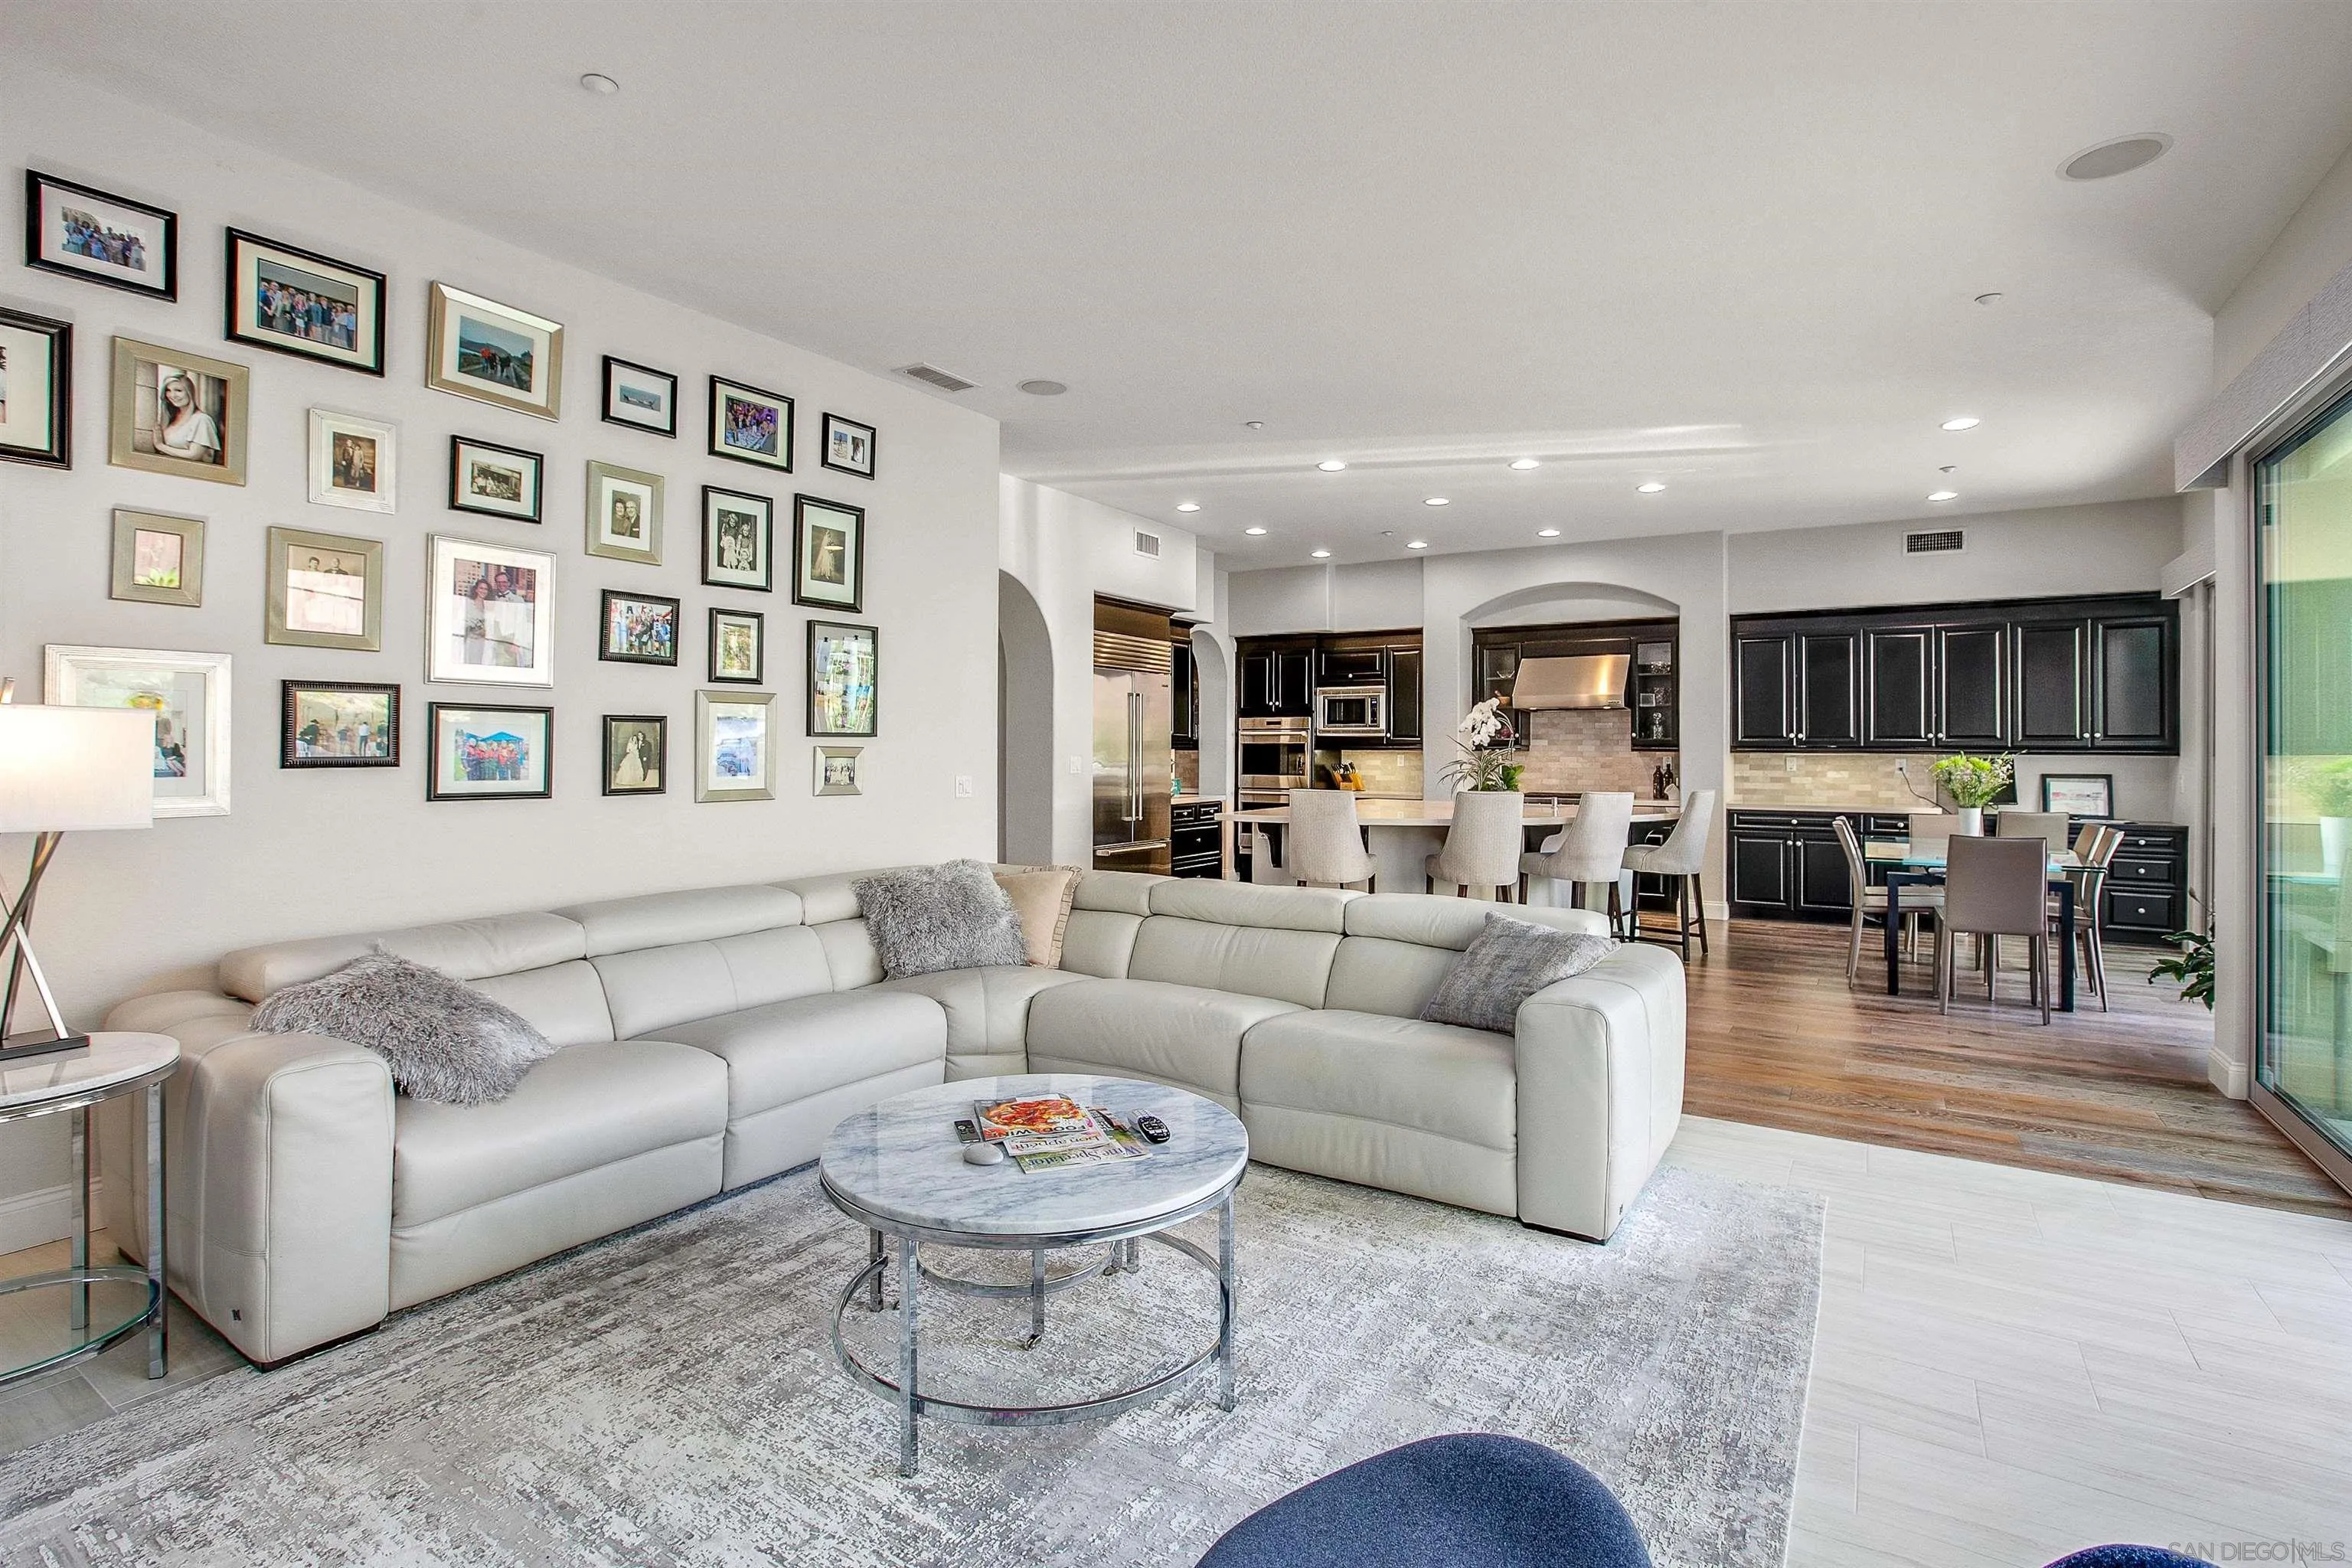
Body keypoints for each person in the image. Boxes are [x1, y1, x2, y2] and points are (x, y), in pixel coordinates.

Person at [152, 371, 221, 465]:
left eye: (178, 390)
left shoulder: (202, 420)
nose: (173, 396)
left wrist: (160, 446)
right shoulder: (169, 419)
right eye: (168, 390)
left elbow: (194, 455)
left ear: (190, 392)